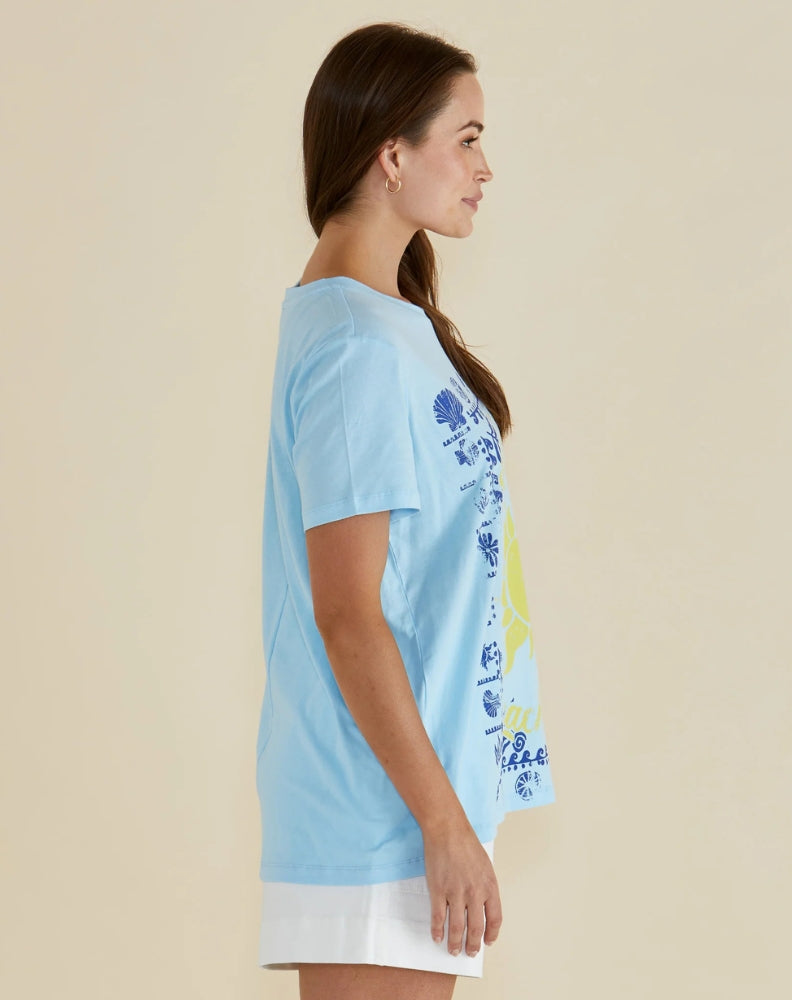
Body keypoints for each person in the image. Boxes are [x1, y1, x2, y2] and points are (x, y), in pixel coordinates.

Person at [255, 21, 556, 1000]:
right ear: (393, 155)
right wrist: (439, 821)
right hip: (380, 815)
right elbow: (347, 612)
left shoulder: (386, 325)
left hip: (413, 799)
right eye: (465, 138)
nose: (484, 167)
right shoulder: (354, 342)